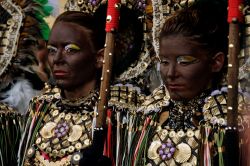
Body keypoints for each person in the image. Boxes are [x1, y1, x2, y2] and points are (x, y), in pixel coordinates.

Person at [116, 0, 249, 165]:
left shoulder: (230, 120)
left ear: (216, 62)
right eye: (164, 62)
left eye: (184, 62)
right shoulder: (145, 116)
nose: (170, 74)